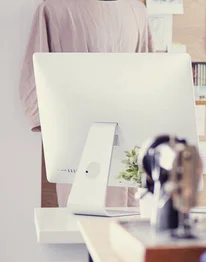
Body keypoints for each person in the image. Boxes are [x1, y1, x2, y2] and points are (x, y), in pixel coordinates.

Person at [20, 0, 154, 208]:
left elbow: (149, 77)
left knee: (117, 218)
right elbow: (35, 77)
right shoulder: (53, 9)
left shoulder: (137, 12)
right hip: (79, 136)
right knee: (88, 217)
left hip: (115, 137)